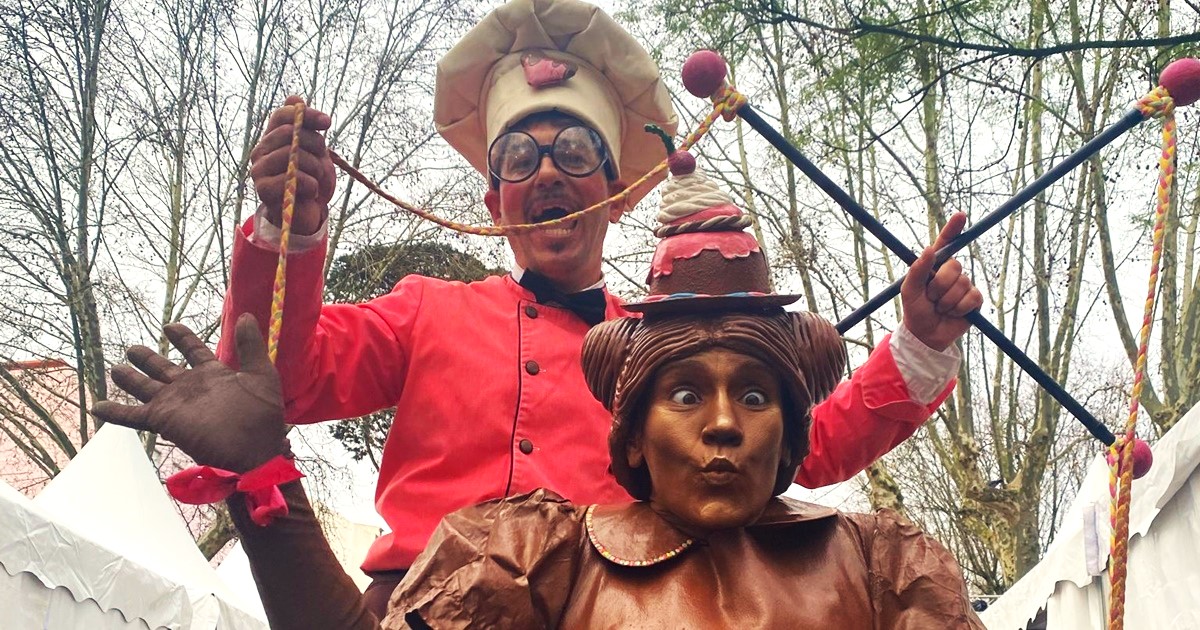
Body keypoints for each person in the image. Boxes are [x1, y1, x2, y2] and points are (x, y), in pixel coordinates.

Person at [222, 0, 983, 616]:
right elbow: (276, 383)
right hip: (418, 610)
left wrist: (919, 344)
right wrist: (293, 230)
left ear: (618, 194)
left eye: (576, 153)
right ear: (493, 201)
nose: (548, 173)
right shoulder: (423, 310)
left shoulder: (663, 344)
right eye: (520, 158)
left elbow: (798, 445)